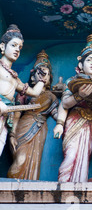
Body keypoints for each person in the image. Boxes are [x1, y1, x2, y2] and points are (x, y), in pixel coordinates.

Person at [54, 32, 92, 182]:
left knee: (84, 158)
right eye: (89, 60)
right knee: (71, 154)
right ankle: (64, 185)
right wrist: (59, 124)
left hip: (91, 125)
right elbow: (65, 103)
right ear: (81, 65)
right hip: (74, 120)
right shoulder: (73, 81)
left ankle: (78, 186)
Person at [7, 50, 59, 180]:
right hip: (24, 126)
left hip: (39, 129)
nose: (43, 76)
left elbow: (57, 116)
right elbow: (17, 113)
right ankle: (12, 186)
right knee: (20, 160)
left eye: (46, 74)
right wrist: (12, 134)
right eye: (39, 72)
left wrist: (69, 96)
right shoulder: (25, 91)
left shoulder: (51, 96)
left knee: (33, 160)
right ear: (32, 77)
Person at [0, 25, 46, 157]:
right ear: (3, 47)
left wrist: (42, 80)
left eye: (19, 48)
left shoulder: (15, 78)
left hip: (4, 117)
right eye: (13, 45)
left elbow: (34, 93)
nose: (17, 50)